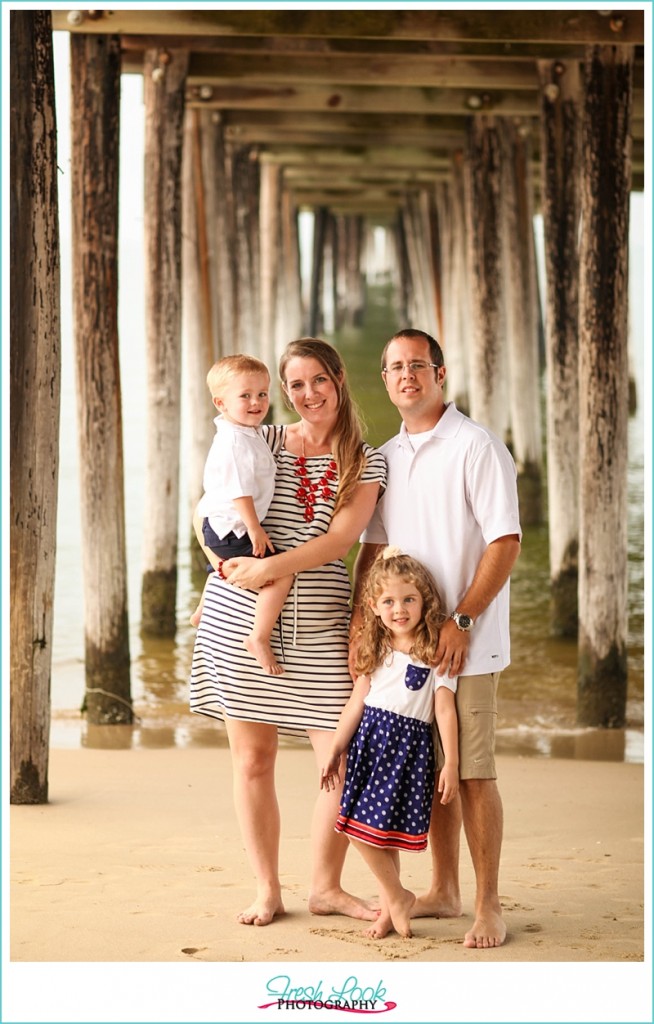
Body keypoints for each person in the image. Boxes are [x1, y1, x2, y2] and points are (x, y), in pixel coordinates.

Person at [190, 338, 387, 927]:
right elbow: (210, 509)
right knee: (253, 761)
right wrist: (218, 565)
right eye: (295, 385)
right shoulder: (258, 437)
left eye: (318, 380)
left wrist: (270, 568)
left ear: (339, 379)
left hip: (324, 622)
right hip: (241, 617)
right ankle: (267, 889)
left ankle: (326, 886)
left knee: (343, 760)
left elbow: (340, 543)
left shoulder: (365, 458)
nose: (307, 395)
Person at [352, 328, 521, 950]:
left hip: (466, 641)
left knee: (471, 772)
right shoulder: (386, 456)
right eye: (394, 366)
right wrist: (358, 624)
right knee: (433, 771)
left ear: (439, 374)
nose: (405, 376)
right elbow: (374, 547)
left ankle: (488, 905)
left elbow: (505, 541)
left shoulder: (476, 446)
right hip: (404, 646)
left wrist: (463, 619)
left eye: (417, 365)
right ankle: (444, 889)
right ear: (386, 377)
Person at [321, 547, 459, 941]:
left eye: (409, 599)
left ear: (424, 602)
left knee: (370, 829)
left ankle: (396, 897)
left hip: (405, 752)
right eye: (389, 601)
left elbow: (445, 711)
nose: (399, 609)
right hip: (369, 745)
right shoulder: (376, 647)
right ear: (374, 606)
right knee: (361, 827)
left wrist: (450, 763)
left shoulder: (434, 652)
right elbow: (356, 701)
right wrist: (335, 747)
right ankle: (393, 902)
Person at [190, 354, 293, 676]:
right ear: (221, 403)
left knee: (227, 566)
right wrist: (255, 529)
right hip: (234, 528)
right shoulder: (234, 441)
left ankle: (202, 610)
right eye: (245, 396)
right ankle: (258, 637)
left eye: (262, 394)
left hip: (222, 527)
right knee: (280, 572)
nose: (256, 402)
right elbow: (239, 490)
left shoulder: (247, 433)